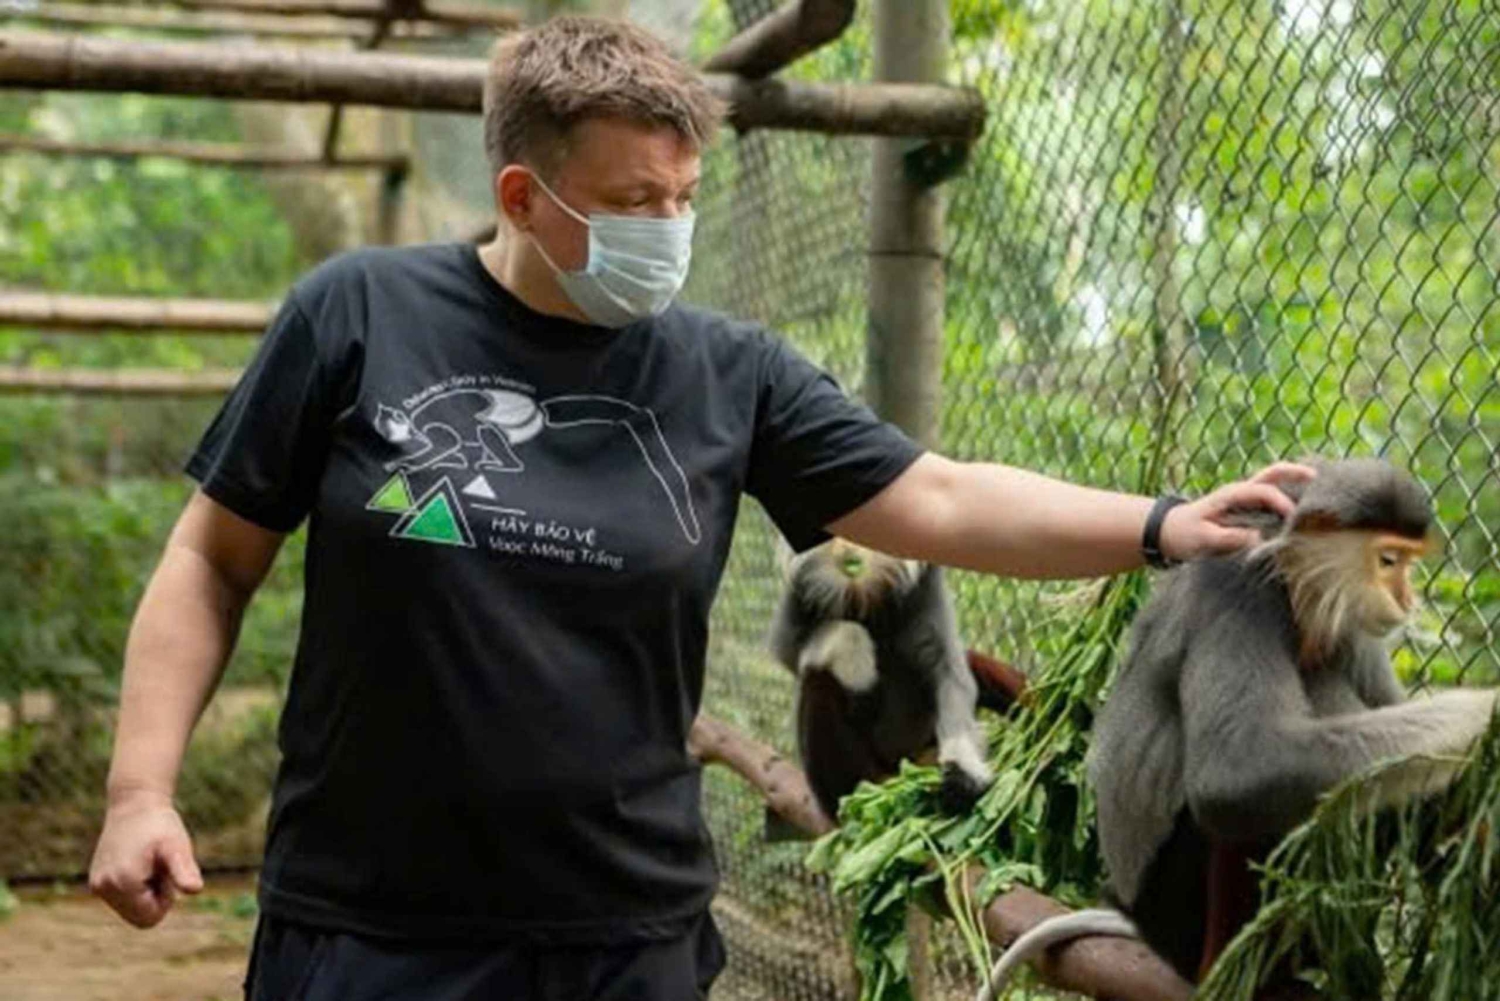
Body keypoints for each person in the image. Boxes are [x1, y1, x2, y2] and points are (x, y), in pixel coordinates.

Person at [86, 15, 1312, 1001]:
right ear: (520, 196)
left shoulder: (728, 371)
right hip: (373, 930)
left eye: (684, 196)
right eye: (632, 202)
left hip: (628, 930)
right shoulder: (356, 314)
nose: (668, 228)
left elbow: (936, 495)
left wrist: (1162, 522)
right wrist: (142, 788)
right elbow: (212, 559)